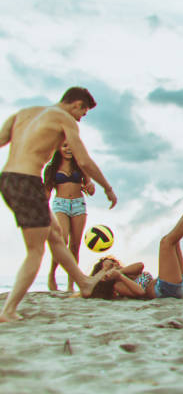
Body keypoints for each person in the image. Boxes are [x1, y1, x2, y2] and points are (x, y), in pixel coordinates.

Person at [0, 87, 117, 323]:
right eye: (82, 113)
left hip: (8, 180)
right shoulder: (65, 119)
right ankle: (9, 310)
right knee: (35, 250)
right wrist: (107, 187)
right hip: (28, 182)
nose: (80, 118)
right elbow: (83, 159)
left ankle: (83, 283)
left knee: (55, 234)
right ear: (77, 104)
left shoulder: (23, 113)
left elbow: (1, 140)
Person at [89, 180, 183, 300]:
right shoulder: (117, 285)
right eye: (108, 266)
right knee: (166, 242)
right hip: (164, 290)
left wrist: (121, 271)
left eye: (113, 263)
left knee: (174, 241)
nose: (113, 265)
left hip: (173, 286)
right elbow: (140, 292)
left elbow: (140, 265)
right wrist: (119, 276)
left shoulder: (128, 273)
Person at [44, 142, 95, 291]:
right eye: (65, 146)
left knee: (75, 246)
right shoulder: (51, 168)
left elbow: (90, 189)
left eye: (71, 146)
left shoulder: (80, 165)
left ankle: (71, 285)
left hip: (78, 205)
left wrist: (90, 186)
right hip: (60, 205)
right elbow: (47, 193)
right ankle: (52, 274)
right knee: (62, 239)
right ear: (58, 148)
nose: (68, 149)